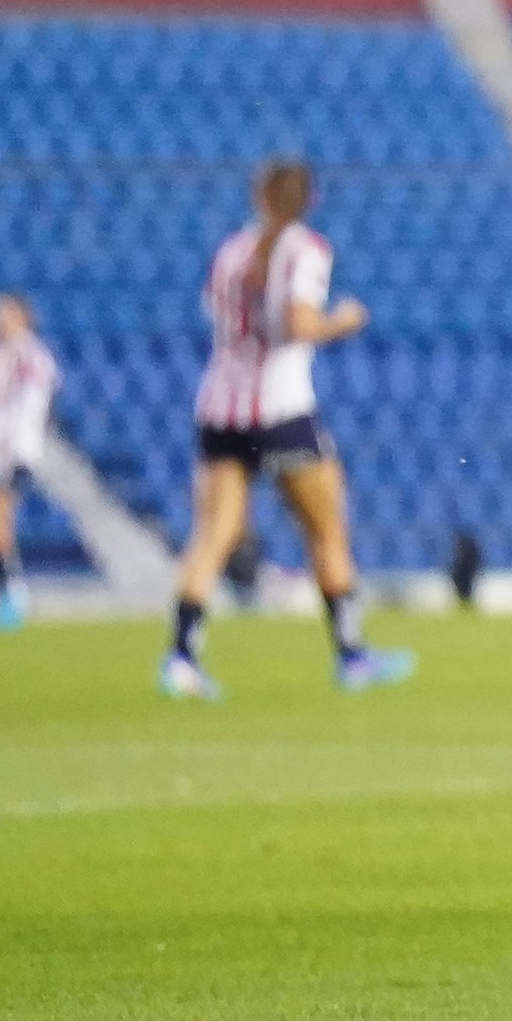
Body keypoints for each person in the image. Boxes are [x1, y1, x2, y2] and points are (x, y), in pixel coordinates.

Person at [162, 159, 412, 700]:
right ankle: (350, 655)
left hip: (220, 409)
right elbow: (297, 324)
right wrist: (342, 322)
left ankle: (182, 655)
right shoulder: (306, 250)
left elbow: (218, 314)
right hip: (280, 411)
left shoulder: (231, 251)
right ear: (308, 200)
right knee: (326, 530)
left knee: (212, 535)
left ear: (259, 194)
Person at [0, 292, 58, 630]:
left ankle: (13, 596)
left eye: (4, 311)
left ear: (22, 315)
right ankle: (6, 591)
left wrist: (9, 442)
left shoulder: (30, 353)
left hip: (14, 450)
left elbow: (33, 403)